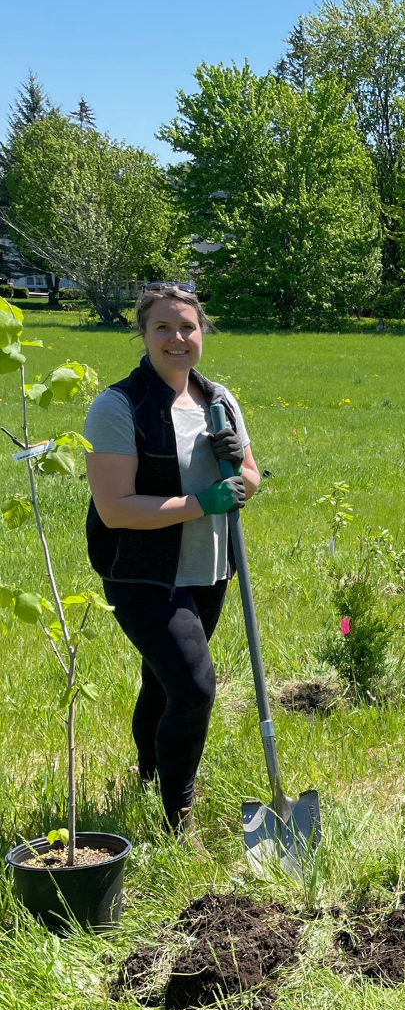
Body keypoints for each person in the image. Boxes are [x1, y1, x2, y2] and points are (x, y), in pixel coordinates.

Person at [84, 283, 260, 842]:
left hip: (208, 567)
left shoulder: (219, 400)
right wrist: (199, 503)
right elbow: (115, 509)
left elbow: (251, 477)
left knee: (163, 683)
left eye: (187, 326)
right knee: (193, 686)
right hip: (141, 570)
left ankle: (146, 774)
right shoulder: (118, 406)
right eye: (162, 327)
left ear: (201, 333)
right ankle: (175, 818)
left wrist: (239, 477)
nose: (177, 338)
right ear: (143, 334)